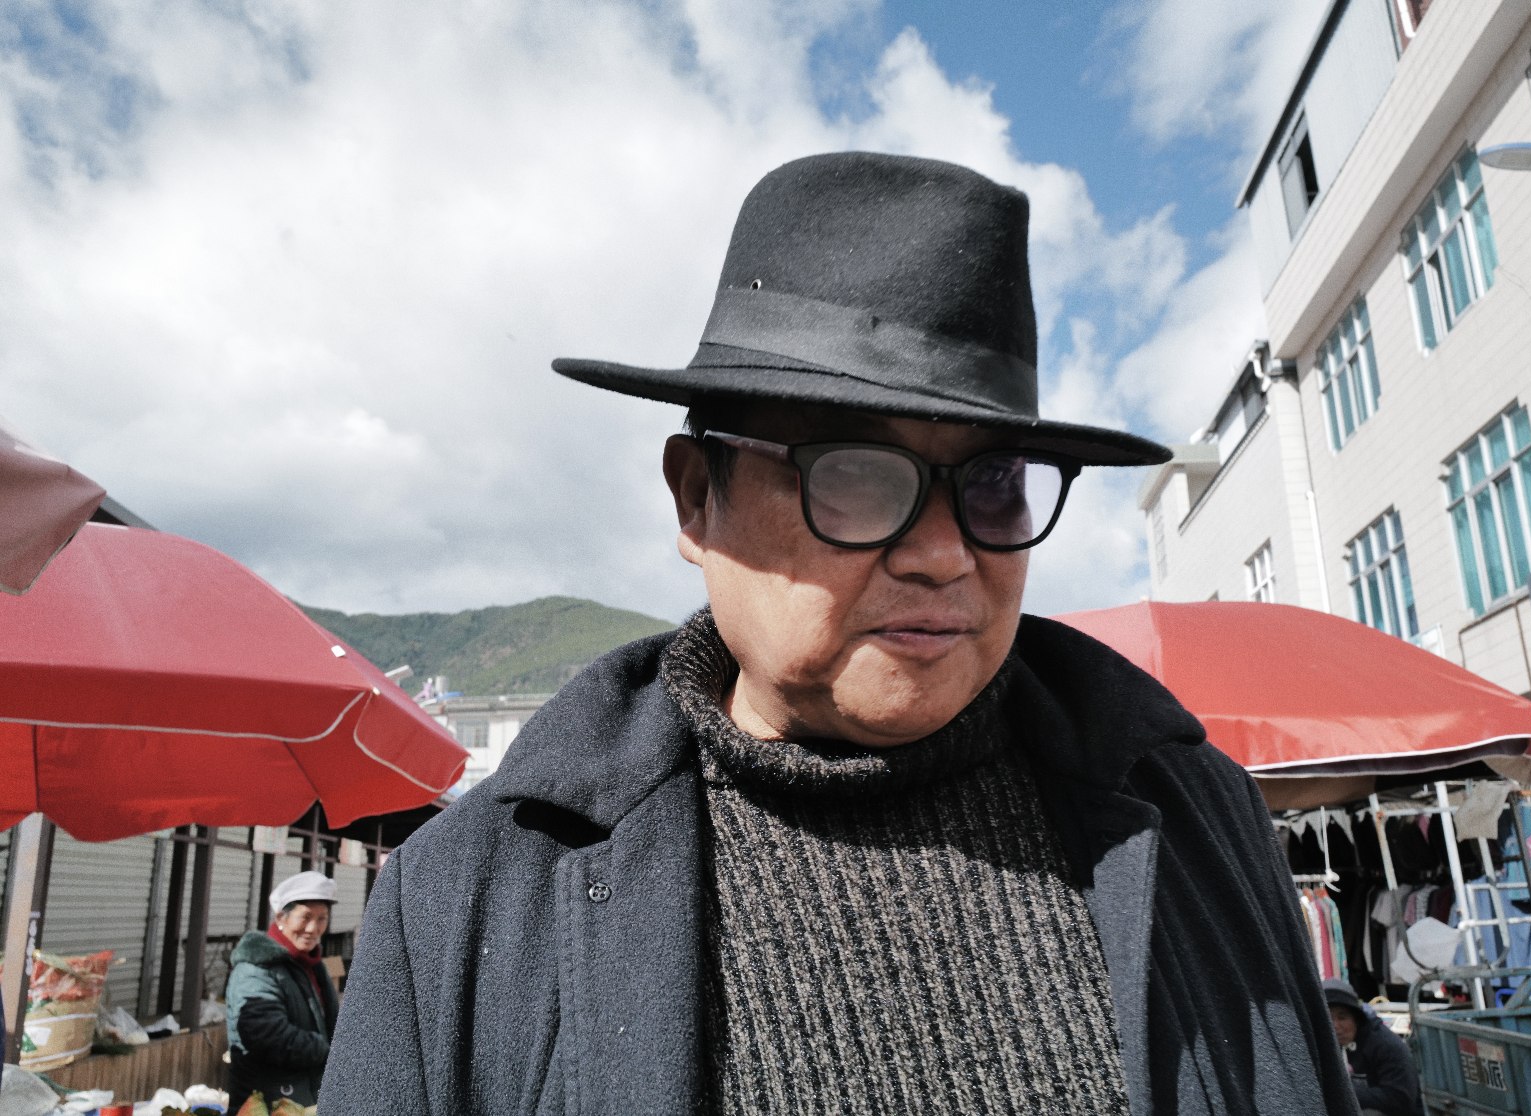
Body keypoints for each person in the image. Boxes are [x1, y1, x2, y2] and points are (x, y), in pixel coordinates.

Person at [319, 152, 1357, 1115]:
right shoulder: (469, 897)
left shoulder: (1191, 813)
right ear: (696, 498)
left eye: (994, 482)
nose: (943, 552)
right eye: (854, 473)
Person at [226, 870, 339, 1111]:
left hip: (302, 1097)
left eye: (322, 918)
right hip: (267, 1103)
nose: (313, 928)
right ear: (281, 918)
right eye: (305, 917)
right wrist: (328, 1050)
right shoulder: (256, 967)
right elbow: (267, 1033)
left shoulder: (307, 965)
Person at [1322, 979, 1421, 1116]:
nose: (1336, 1026)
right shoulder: (1327, 1046)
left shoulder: (1385, 1045)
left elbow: (1401, 1098)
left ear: (1356, 1018)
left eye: (1342, 1017)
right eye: (1328, 1018)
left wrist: (1341, 1091)